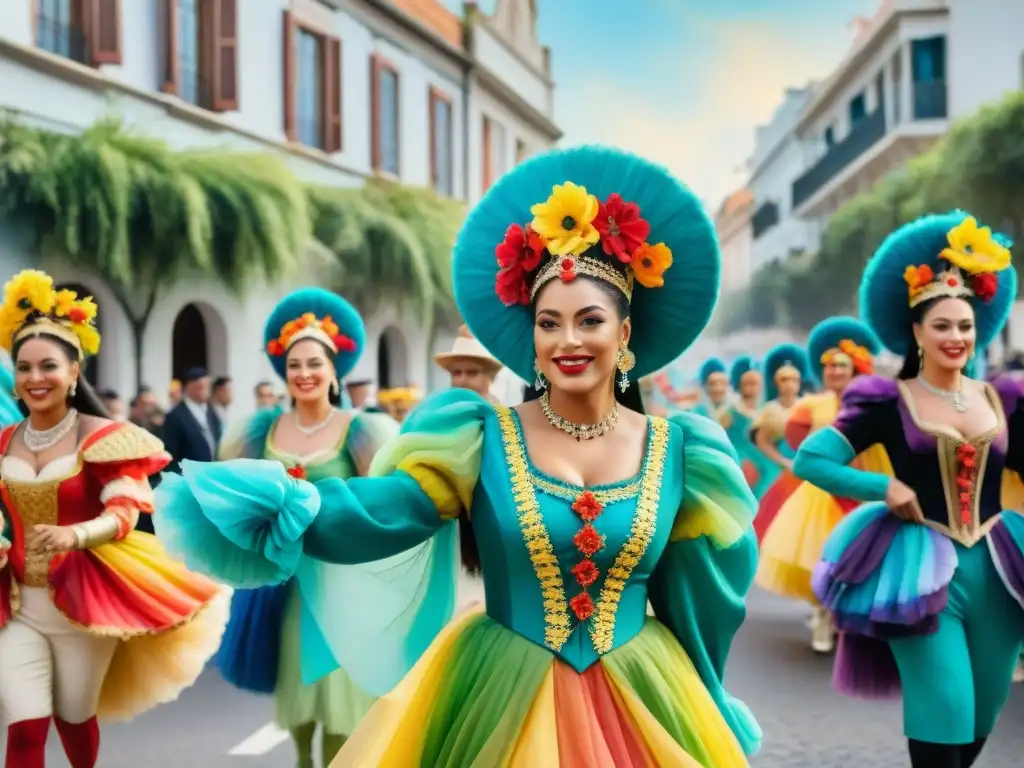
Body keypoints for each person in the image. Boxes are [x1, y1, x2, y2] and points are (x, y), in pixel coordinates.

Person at [155, 145, 761, 766]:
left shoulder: (682, 453)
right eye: (548, 323)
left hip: (642, 695)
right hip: (501, 694)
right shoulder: (481, 436)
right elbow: (388, 511)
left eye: (589, 321)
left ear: (624, 334)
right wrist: (288, 506)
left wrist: (706, 696)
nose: (568, 340)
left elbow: (701, 602)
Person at [796, 213, 1023, 767]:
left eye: (965, 326)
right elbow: (811, 458)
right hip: (918, 570)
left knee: (982, 713)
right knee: (944, 707)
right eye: (942, 326)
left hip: (999, 568)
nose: (956, 337)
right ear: (917, 332)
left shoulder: (1004, 399)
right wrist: (883, 485)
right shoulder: (886, 400)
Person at [0, 270, 230, 768]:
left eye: (48, 366)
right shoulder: (3, 441)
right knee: (23, 731)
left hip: (83, 604)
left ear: (74, 371)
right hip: (15, 605)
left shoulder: (105, 437)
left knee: (75, 721)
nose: (35, 378)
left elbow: (125, 511)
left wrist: (75, 534)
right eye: (24, 368)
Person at [209, 288, 398, 768]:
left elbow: (385, 502)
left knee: (340, 699)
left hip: (344, 581)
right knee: (297, 685)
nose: (305, 373)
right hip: (284, 581)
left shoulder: (363, 431)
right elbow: (232, 496)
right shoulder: (259, 432)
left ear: (335, 371)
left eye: (315, 363)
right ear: (284, 373)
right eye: (295, 366)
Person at [756, 317, 892, 653]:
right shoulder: (811, 405)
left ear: (855, 368)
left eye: (841, 365)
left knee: (865, 555)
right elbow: (794, 439)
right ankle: (822, 616)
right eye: (828, 366)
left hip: (864, 488)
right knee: (821, 555)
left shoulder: (872, 402)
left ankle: (854, 620)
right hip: (823, 493)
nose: (834, 371)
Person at [751, 343, 811, 543]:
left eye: (793, 379)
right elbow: (762, 441)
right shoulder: (770, 410)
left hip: (808, 466)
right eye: (784, 379)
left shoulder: (808, 405)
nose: (789, 384)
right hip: (782, 467)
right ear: (777, 382)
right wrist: (783, 461)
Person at [162, 367, 221, 473]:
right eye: (202, 387)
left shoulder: (211, 412)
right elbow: (171, 453)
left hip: (211, 473)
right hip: (189, 476)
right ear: (190, 387)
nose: (206, 392)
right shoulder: (176, 416)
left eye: (208, 387)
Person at [725, 355, 770, 495]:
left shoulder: (767, 409)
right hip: (742, 466)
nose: (751, 388)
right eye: (747, 383)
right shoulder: (730, 412)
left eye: (755, 383)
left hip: (767, 465)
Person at [434, 324, 502, 402]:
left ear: (490, 376)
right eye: (456, 373)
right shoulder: (441, 410)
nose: (463, 381)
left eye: (472, 372)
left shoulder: (501, 413)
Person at [692, 357, 730, 422]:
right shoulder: (698, 412)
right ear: (705, 386)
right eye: (712, 384)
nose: (718, 388)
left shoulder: (733, 410)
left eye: (722, 383)